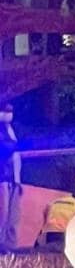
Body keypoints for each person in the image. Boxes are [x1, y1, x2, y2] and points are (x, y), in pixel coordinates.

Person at [0, 104, 21, 253]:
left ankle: (9, 246)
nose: (9, 114)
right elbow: (9, 148)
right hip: (3, 178)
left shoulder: (9, 129)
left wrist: (18, 181)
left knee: (12, 216)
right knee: (3, 214)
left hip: (12, 179)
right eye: (6, 111)